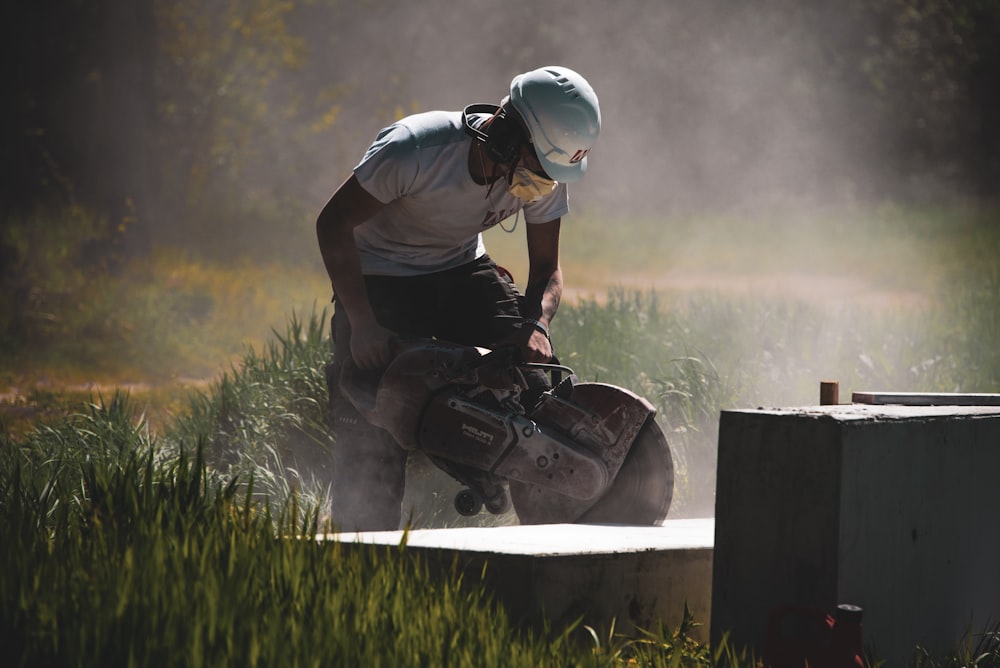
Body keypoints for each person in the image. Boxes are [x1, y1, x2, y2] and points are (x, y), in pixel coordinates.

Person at [316, 65, 601, 531]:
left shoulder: (547, 169)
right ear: (507, 138)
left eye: (552, 174)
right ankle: (362, 546)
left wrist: (536, 327)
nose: (544, 184)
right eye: (538, 169)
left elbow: (547, 269)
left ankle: (547, 510)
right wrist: (362, 322)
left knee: (532, 377)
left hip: (461, 267)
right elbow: (332, 225)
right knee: (371, 414)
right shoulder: (415, 150)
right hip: (379, 275)